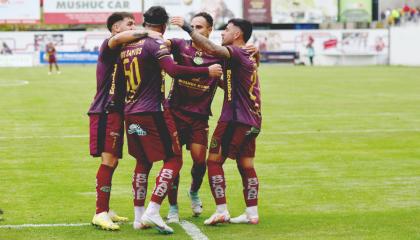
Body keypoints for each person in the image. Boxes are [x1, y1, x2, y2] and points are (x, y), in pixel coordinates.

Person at [118, 6, 222, 234]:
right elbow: (173, 70)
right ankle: (156, 209)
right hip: (156, 111)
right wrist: (206, 72)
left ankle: (139, 217)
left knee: (143, 162)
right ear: (164, 25)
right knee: (174, 160)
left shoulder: (127, 45)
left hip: (131, 110)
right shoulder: (159, 44)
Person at [173, 16, 262, 225]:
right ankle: (252, 212)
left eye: (227, 30)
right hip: (253, 119)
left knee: (213, 161)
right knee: (246, 165)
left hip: (235, 118)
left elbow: (213, 50)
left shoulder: (237, 52)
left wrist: (187, 29)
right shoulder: (246, 55)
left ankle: (221, 209)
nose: (223, 33)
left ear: (237, 34)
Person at [88, 11, 162, 231]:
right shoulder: (109, 44)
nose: (134, 27)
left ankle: (106, 209)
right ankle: (99, 212)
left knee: (114, 161)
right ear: (116, 28)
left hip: (118, 111)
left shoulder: (130, 50)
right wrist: (149, 31)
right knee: (108, 160)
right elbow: (120, 39)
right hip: (105, 110)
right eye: (130, 24)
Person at [163, 12, 222, 223]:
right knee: (174, 162)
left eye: (200, 27)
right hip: (175, 113)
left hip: (199, 117)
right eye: (193, 27)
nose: (195, 31)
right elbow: (162, 45)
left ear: (209, 30)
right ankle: (172, 207)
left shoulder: (219, 55)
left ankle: (194, 191)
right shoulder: (180, 45)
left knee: (199, 161)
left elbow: (231, 79)